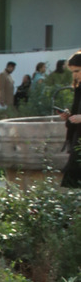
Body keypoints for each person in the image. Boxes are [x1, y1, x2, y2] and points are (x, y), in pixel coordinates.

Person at [59, 51, 81, 187]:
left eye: (77, 71)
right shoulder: (79, 88)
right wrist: (69, 115)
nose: (75, 75)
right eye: (73, 72)